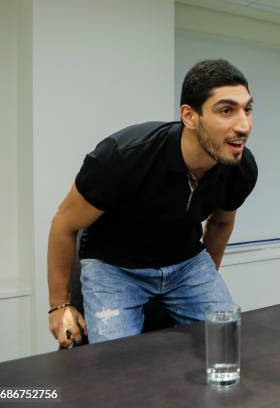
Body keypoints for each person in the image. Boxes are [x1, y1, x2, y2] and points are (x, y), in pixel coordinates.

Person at [47, 59, 257, 347]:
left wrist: (205, 281)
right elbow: (64, 223)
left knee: (227, 344)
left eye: (247, 109)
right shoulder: (123, 156)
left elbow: (221, 222)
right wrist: (59, 306)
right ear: (189, 116)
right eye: (226, 111)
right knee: (113, 366)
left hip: (187, 263)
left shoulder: (240, 167)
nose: (243, 125)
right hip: (115, 267)